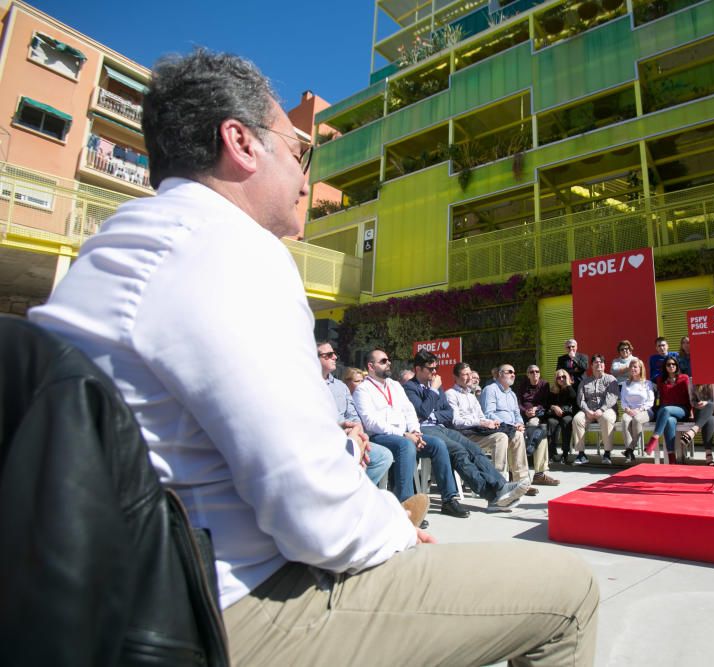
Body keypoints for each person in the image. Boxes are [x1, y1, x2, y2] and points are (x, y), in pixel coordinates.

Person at [28, 49, 598, 665]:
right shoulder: (232, 250)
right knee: (570, 595)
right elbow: (313, 515)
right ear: (241, 143)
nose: (305, 177)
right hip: (217, 613)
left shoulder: (109, 250)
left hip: (109, 603)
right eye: (299, 152)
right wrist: (396, 530)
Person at [403, 350, 529, 512]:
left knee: (473, 448)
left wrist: (433, 409)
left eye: (436, 369)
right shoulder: (410, 388)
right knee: (459, 451)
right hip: (422, 430)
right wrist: (433, 392)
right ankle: (491, 495)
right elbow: (421, 412)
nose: (435, 372)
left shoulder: (435, 385)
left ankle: (501, 487)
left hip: (441, 427)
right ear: (418, 369)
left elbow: (448, 413)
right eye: (430, 369)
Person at [354, 349, 471, 519]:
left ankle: (449, 500)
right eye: (383, 361)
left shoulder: (394, 385)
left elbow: (409, 411)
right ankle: (406, 506)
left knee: (438, 444)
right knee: (405, 445)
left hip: (406, 434)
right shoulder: (363, 390)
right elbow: (370, 422)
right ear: (371, 366)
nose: (389, 363)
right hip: (381, 437)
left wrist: (416, 431)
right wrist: (404, 434)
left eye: (389, 360)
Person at [446, 362, 534, 493]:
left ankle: (521, 481)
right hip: (464, 435)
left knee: (517, 435)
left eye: (470, 374)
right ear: (456, 377)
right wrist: (482, 422)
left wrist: (492, 423)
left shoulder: (471, 396)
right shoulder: (451, 394)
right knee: (500, 437)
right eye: (465, 374)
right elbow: (456, 421)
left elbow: (483, 416)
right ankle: (500, 483)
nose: (470, 377)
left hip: (478, 432)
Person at [317, 341, 391, 486]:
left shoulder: (341, 387)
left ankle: (353, 494)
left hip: (350, 438)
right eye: (329, 355)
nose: (335, 357)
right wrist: (341, 427)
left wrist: (358, 433)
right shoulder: (307, 385)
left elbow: (354, 415)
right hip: (324, 440)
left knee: (383, 456)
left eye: (334, 353)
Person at [483, 364, 559, 487]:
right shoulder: (490, 390)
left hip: (514, 426)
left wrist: (519, 423)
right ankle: (520, 481)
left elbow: (517, 413)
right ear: (500, 374)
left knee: (541, 433)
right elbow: (488, 414)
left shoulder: (511, 394)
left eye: (514, 372)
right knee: (517, 435)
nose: (513, 374)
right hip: (499, 428)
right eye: (509, 372)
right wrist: (511, 425)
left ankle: (539, 474)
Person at [514, 365, 561, 485]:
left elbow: (545, 402)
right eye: (531, 372)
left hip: (538, 415)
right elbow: (518, 402)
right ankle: (538, 473)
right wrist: (525, 411)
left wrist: (536, 408)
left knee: (539, 427)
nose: (535, 373)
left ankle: (539, 472)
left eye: (537, 371)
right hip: (523, 416)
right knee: (539, 430)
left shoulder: (544, 384)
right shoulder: (522, 385)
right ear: (527, 374)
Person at [571, 355, 619, 465]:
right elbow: (581, 399)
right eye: (596, 362)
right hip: (589, 410)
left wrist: (602, 410)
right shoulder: (585, 382)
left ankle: (607, 454)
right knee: (577, 419)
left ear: (604, 365)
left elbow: (612, 397)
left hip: (607, 409)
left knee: (606, 418)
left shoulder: (611, 379)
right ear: (591, 365)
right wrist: (587, 410)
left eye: (601, 362)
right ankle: (581, 454)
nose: (599, 364)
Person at [619, 358, 655, 463]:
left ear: (640, 368)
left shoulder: (647, 383)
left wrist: (639, 409)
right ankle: (630, 451)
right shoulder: (626, 384)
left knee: (637, 420)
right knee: (625, 420)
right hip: (629, 410)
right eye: (631, 367)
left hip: (645, 411)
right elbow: (623, 400)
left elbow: (650, 401)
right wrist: (628, 409)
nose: (633, 369)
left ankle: (630, 449)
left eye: (635, 367)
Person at [546, 369, 577, 463]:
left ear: (567, 377)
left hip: (567, 414)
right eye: (559, 377)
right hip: (554, 414)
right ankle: (552, 453)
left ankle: (565, 454)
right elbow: (547, 403)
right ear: (556, 379)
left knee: (566, 422)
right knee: (551, 422)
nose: (561, 379)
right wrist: (554, 407)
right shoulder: (553, 390)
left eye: (563, 377)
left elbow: (574, 399)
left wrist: (567, 385)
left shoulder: (571, 388)